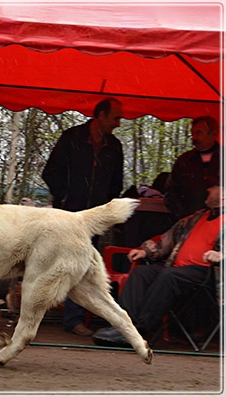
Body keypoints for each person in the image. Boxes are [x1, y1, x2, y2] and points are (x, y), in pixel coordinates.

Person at [92, 184, 223, 347]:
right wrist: (146, 252)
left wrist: (221, 255)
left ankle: (140, 329)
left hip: (209, 273)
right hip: (177, 269)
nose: (208, 189)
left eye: (215, 187)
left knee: (169, 276)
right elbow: (169, 238)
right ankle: (124, 326)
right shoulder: (197, 218)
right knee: (142, 272)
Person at [42, 97, 124, 336]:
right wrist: (65, 198)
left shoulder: (115, 147)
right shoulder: (71, 138)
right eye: (116, 117)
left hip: (93, 220)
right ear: (100, 115)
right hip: (67, 215)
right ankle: (35, 312)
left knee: (83, 267)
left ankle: (74, 319)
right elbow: (50, 172)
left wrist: (105, 210)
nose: (119, 123)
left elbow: (116, 184)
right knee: (52, 263)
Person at [164, 115, 221, 220]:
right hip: (189, 221)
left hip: (219, 222)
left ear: (213, 134)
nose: (194, 138)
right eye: (192, 133)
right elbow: (170, 192)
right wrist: (183, 214)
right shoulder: (184, 160)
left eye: (199, 133)